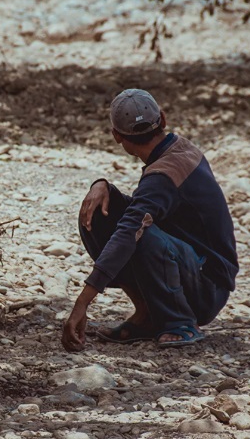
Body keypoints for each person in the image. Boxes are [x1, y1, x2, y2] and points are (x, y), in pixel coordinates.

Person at [62, 89, 238, 351]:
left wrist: (82, 303)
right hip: (191, 265)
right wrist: (102, 186)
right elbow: (138, 212)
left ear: (116, 135)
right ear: (163, 120)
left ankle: (180, 322)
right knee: (100, 209)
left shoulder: (162, 176)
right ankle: (147, 314)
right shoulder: (181, 147)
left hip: (207, 288)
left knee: (137, 233)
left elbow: (130, 229)